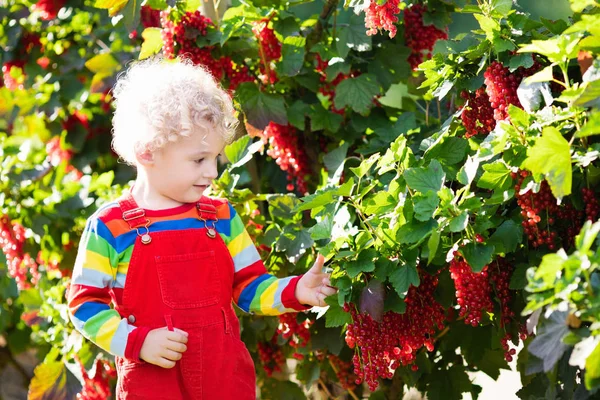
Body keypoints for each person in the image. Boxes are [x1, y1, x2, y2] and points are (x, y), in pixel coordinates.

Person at [66, 56, 337, 400]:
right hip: (154, 385)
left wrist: (297, 291)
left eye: (215, 159)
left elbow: (250, 288)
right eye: (199, 159)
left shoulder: (220, 216)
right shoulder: (110, 227)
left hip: (224, 380)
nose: (211, 172)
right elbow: (84, 305)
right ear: (148, 151)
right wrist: (138, 342)